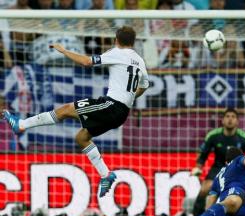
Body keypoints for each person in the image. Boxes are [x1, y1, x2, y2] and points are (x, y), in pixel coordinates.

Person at [1, 26, 149, 197]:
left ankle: (21, 125)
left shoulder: (116, 52)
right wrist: (128, 98)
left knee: (65, 110)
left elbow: (86, 62)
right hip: (121, 111)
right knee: (82, 138)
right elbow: (144, 86)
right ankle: (106, 174)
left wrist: (64, 51)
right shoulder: (140, 61)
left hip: (112, 105)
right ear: (133, 42)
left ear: (116, 40)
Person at [191, 108, 245, 216]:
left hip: (238, 170)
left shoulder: (244, 137)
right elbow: (203, 154)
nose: (230, 119)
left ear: (237, 121)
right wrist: (198, 167)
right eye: (227, 116)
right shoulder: (213, 135)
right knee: (204, 190)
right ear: (222, 120)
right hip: (218, 168)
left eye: (233, 117)